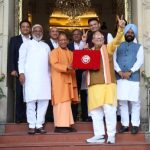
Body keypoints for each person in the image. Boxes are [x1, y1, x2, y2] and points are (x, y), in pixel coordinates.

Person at [86, 16, 125, 144]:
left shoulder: (108, 48)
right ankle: (99, 135)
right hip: (93, 86)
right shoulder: (89, 52)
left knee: (109, 110)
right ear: (93, 40)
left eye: (101, 38)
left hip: (108, 85)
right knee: (95, 112)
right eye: (97, 38)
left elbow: (117, 40)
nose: (99, 39)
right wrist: (83, 47)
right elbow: (80, 63)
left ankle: (111, 135)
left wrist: (120, 28)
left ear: (103, 39)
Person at [18, 24, 51, 134]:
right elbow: (21, 60)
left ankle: (39, 124)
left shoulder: (46, 46)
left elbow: (49, 64)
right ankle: (32, 125)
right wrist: (21, 73)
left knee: (44, 101)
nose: (38, 32)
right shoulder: (26, 44)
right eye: (35, 31)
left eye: (40, 31)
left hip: (45, 78)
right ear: (32, 33)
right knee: (31, 101)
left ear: (42, 32)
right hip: (30, 77)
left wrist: (51, 77)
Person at [114, 24, 144, 134]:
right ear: (125, 33)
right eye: (128, 32)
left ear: (134, 34)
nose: (130, 34)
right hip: (120, 77)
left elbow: (140, 61)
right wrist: (120, 72)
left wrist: (130, 72)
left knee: (135, 101)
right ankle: (125, 124)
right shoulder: (117, 46)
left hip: (133, 77)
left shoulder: (139, 47)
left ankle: (135, 124)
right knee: (122, 101)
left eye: (132, 32)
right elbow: (113, 60)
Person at [50, 32, 79, 133]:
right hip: (59, 82)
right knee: (61, 103)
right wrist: (66, 67)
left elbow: (76, 64)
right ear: (58, 42)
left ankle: (67, 124)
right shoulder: (54, 52)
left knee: (67, 104)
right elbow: (54, 64)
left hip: (69, 80)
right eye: (60, 40)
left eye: (64, 40)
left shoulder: (71, 53)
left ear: (67, 41)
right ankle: (59, 126)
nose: (63, 41)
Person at [9, 20, 31, 123]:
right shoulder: (14, 40)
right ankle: (19, 117)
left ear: (30, 28)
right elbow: (11, 55)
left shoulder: (34, 39)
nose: (25, 28)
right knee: (20, 94)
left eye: (27, 27)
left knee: (30, 95)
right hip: (19, 71)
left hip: (32, 72)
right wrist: (13, 69)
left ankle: (29, 118)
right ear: (20, 28)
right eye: (23, 27)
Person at [68, 29, 89, 122]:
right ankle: (73, 116)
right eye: (74, 34)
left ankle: (85, 116)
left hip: (84, 73)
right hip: (72, 73)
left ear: (81, 35)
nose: (76, 36)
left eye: (78, 34)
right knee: (73, 95)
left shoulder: (86, 44)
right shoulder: (68, 46)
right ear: (72, 36)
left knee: (84, 95)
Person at [45, 27, 59, 122]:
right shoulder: (44, 43)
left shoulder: (63, 43)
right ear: (49, 33)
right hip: (48, 73)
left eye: (56, 31)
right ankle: (49, 117)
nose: (55, 33)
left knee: (58, 95)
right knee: (49, 94)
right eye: (52, 31)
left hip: (61, 74)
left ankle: (58, 116)